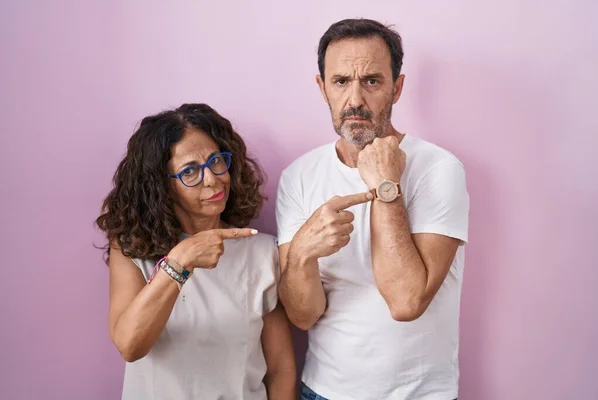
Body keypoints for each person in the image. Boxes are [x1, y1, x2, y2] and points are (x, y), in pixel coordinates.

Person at [276, 19, 469, 400]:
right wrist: (300, 253)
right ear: (322, 88)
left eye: (372, 81)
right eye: (341, 81)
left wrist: (386, 185)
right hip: (322, 392)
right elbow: (302, 316)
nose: (355, 100)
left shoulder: (439, 168)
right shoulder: (299, 176)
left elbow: (406, 301)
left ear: (397, 88)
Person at [95, 103, 296, 400]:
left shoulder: (262, 253)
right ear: (161, 187)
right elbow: (130, 345)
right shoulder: (131, 250)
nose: (213, 179)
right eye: (190, 171)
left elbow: (281, 369)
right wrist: (180, 261)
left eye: (216, 161)